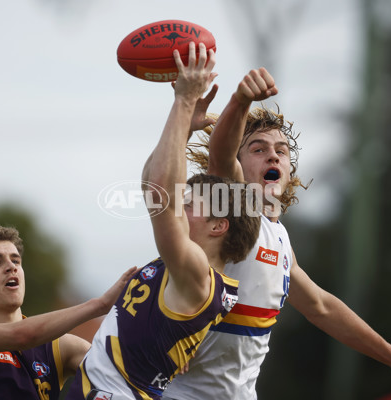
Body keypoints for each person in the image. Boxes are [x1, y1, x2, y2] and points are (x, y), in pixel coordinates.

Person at [163, 68, 391, 400]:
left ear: (289, 169)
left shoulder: (278, 238)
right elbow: (221, 156)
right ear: (239, 165)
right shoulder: (231, 209)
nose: (273, 154)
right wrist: (241, 101)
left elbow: (320, 307)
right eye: (257, 148)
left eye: (281, 151)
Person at [64, 43, 261, 400]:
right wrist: (184, 125)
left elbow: (159, 191)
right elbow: (151, 184)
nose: (180, 205)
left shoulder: (198, 273)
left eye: (191, 203)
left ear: (218, 226)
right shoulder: (189, 268)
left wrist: (184, 101)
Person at [0, 224, 138, 400]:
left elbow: (123, 376)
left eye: (16, 260)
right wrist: (100, 305)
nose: (11, 267)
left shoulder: (62, 347)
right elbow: (23, 335)